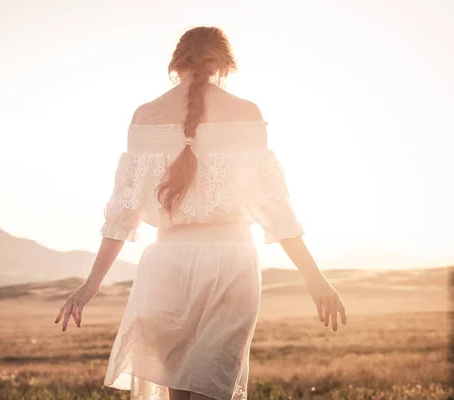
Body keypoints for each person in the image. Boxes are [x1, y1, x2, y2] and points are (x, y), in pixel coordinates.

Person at [55, 26, 347, 400]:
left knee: (177, 390)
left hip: (165, 266)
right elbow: (276, 210)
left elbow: (121, 215)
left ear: (176, 64)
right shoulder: (246, 113)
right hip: (229, 262)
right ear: (225, 65)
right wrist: (315, 278)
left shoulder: (145, 116)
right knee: (214, 386)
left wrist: (90, 285)